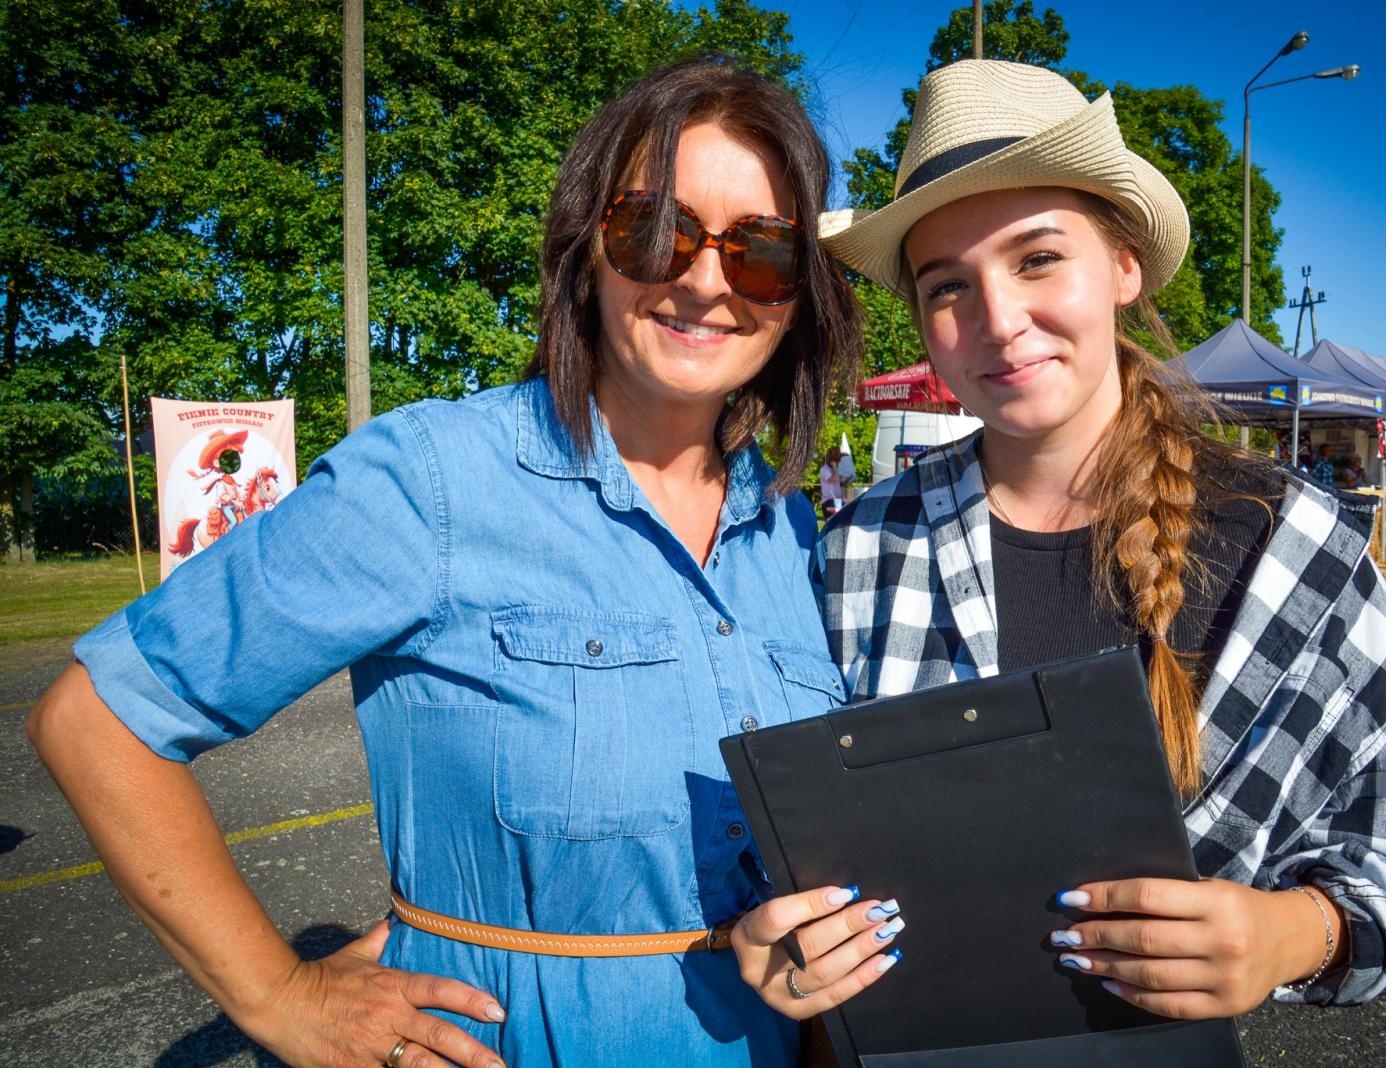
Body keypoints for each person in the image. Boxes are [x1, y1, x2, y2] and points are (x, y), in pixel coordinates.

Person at [27, 58, 861, 1067]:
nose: (700, 278)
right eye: (652, 229)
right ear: (585, 248)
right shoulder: (432, 479)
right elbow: (100, 718)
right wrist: (278, 995)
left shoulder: (793, 534)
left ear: (798, 294)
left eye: (759, 252)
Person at [731, 59, 1386, 1024]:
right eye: (949, 287)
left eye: (1039, 258)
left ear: (1124, 266)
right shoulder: (861, 550)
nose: (999, 321)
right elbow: (782, 854)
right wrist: (777, 937)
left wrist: (1290, 934)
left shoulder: (1299, 556)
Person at [818, 446, 845, 517]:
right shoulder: (824, 470)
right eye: (837, 461)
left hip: (837, 500)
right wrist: (835, 468)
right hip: (829, 501)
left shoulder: (835, 470)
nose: (839, 462)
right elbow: (836, 479)